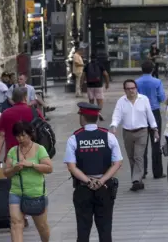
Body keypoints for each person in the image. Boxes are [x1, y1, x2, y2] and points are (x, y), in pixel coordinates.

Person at [65, 102, 122, 242]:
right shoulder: (108, 136)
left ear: (82, 117)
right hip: (105, 188)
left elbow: (72, 167)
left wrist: (88, 181)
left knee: (83, 230)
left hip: (83, 188)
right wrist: (101, 181)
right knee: (105, 229)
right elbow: (117, 163)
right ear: (97, 118)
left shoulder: (74, 138)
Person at [4, 121, 53, 242]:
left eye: (23, 135)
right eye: (17, 136)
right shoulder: (12, 151)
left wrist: (31, 164)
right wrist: (14, 169)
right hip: (16, 192)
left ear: (30, 134)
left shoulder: (39, 149)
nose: (20, 139)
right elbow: (6, 173)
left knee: (42, 227)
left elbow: (49, 168)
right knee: (16, 223)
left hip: (36, 193)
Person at [110, 80, 158, 191]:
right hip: (127, 132)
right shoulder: (121, 101)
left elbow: (150, 115)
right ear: (125, 90)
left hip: (142, 131)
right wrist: (114, 126)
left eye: (133, 88)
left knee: (138, 156)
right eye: (128, 89)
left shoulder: (144, 99)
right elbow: (117, 115)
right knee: (131, 157)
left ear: (136, 88)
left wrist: (155, 128)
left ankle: (136, 180)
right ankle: (138, 180)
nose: (131, 90)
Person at [0, 88, 45, 164]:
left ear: (13, 98)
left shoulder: (6, 114)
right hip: (34, 155)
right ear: (25, 97)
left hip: (13, 156)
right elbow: (44, 129)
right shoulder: (35, 112)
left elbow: (1, 135)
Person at [136, 61, 166, 179]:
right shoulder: (157, 82)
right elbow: (162, 97)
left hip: (141, 113)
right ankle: (157, 171)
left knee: (142, 142)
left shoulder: (137, 82)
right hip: (154, 112)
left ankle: (142, 171)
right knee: (155, 141)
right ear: (153, 70)